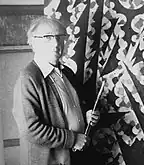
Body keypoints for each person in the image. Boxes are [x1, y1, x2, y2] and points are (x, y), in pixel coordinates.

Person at [12, 16, 100, 165]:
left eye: (60, 37)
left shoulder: (66, 72)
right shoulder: (28, 78)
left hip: (76, 155)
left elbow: (73, 107)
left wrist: (87, 114)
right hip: (52, 160)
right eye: (48, 37)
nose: (56, 44)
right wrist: (72, 139)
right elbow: (30, 129)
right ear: (33, 42)